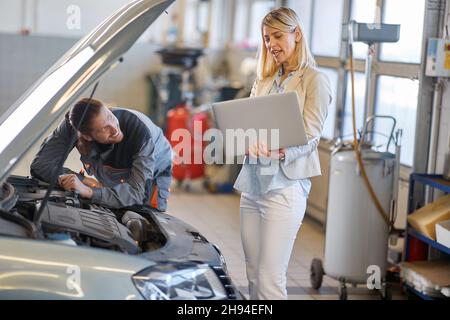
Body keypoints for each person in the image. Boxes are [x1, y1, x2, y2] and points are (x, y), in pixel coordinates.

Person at [234, 7, 332, 300]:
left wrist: (281, 151)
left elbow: (311, 135)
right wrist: (244, 138)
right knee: (252, 272)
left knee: (269, 278)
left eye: (277, 36)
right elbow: (248, 123)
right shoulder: (264, 79)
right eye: (266, 38)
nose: (270, 44)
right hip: (252, 187)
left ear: (297, 34)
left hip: (284, 189)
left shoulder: (314, 80)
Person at [30, 98, 173, 212]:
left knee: (143, 213)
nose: (114, 128)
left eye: (110, 117)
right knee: (110, 203)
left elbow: (136, 195)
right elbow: (41, 166)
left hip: (155, 167)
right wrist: (82, 180)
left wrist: (88, 191)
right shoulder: (75, 123)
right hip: (112, 166)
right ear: (87, 136)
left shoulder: (139, 133)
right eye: (105, 128)